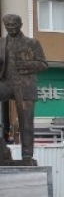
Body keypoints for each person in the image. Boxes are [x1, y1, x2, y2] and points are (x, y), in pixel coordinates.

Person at [0, 13, 48, 162]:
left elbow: (43, 64)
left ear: (20, 25)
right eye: (8, 26)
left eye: (13, 25)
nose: (11, 28)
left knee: (26, 123)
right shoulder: (1, 43)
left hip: (25, 85)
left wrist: (25, 65)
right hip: (6, 83)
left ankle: (27, 155)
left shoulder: (32, 43)